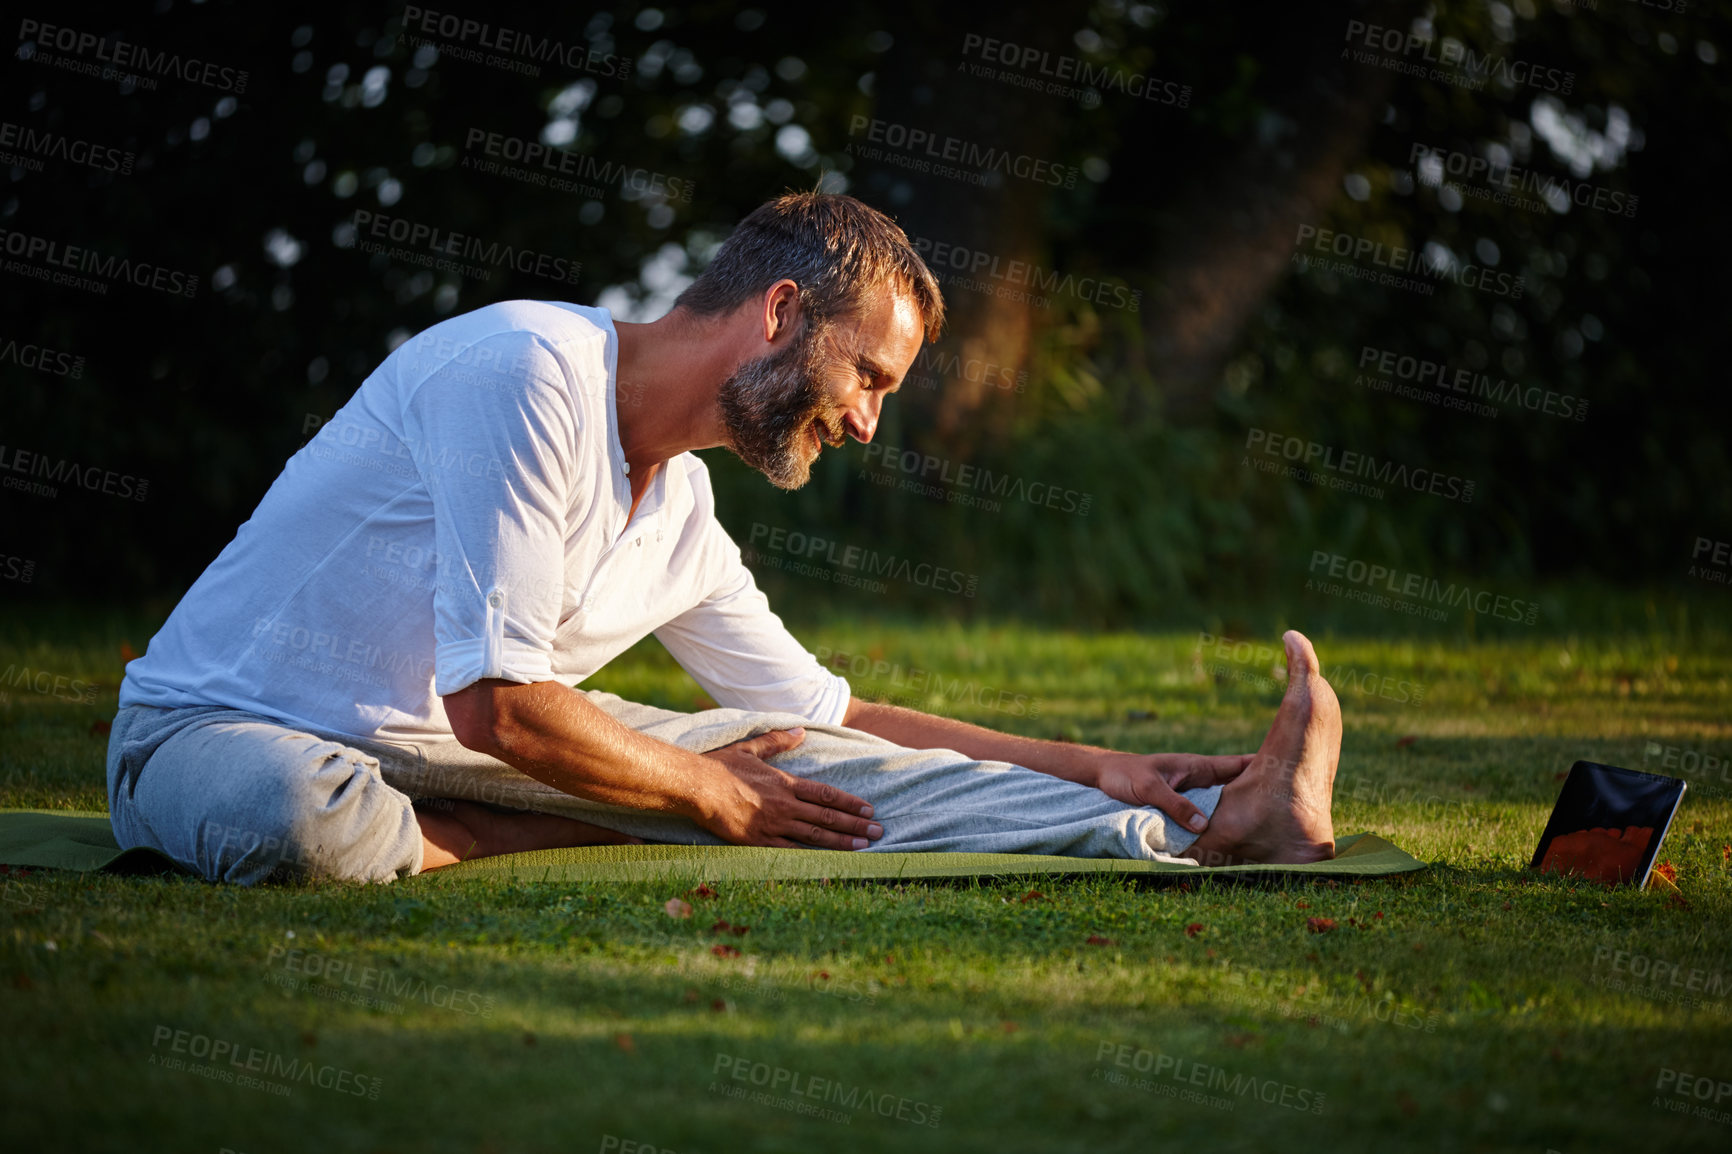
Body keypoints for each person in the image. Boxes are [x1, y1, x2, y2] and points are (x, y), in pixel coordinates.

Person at [107, 191, 1341, 885]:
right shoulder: (528, 371)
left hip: (458, 751)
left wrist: (1104, 769)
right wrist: (700, 789)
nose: (864, 423)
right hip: (224, 731)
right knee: (296, 819)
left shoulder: (682, 508)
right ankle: (536, 831)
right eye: (868, 376)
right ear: (781, 311)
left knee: (803, 774)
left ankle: (1212, 836)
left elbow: (832, 714)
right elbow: (498, 706)